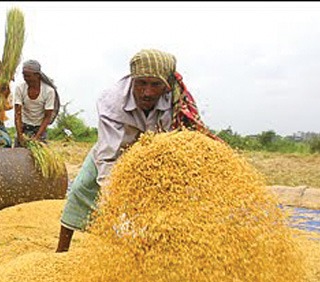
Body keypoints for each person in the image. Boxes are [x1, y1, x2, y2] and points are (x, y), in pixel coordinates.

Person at [56, 49, 220, 252]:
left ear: (166, 86)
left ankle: (162, 252)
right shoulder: (112, 102)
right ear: (132, 80)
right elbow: (108, 156)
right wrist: (115, 200)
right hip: (117, 149)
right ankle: (61, 252)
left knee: (162, 205)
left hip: (156, 156)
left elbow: (177, 141)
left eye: (155, 85)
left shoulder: (175, 101)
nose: (148, 92)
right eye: (142, 83)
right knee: (81, 188)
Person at [13, 60, 60, 147]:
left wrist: (37, 137)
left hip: (39, 128)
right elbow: (17, 114)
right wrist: (20, 136)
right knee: (18, 154)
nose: (25, 78)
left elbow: (47, 117)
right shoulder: (20, 88)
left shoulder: (48, 91)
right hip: (24, 126)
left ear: (37, 75)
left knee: (41, 155)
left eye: (28, 76)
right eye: (24, 75)